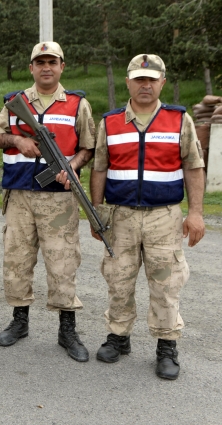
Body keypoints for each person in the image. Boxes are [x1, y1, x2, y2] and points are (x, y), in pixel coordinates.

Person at [90, 54, 206, 380]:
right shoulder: (111, 122)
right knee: (119, 278)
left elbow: (194, 168)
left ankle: (166, 346)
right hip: (121, 215)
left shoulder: (179, 120)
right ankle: (118, 337)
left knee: (166, 284)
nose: (145, 84)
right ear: (127, 82)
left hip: (164, 218)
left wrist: (195, 214)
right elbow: (99, 168)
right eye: (139, 78)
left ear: (162, 83)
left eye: (152, 79)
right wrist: (96, 212)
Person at [0, 42, 95, 361]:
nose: (46, 67)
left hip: (59, 200)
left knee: (62, 262)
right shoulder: (14, 102)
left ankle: (67, 330)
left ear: (62, 66)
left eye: (52, 62)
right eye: (40, 62)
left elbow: (88, 147)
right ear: (31, 68)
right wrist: (17, 139)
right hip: (19, 195)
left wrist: (71, 168)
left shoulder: (77, 104)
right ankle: (19, 322)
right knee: (17, 260)